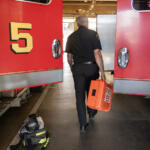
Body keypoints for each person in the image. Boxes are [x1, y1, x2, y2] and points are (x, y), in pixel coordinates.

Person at [65, 15, 105, 133]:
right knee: (92, 91)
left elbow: (69, 57)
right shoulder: (93, 34)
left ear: (77, 24)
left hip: (78, 69)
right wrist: (102, 71)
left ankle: (83, 124)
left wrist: (72, 67)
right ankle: (91, 112)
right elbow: (97, 53)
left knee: (79, 96)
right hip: (91, 68)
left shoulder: (71, 37)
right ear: (87, 23)